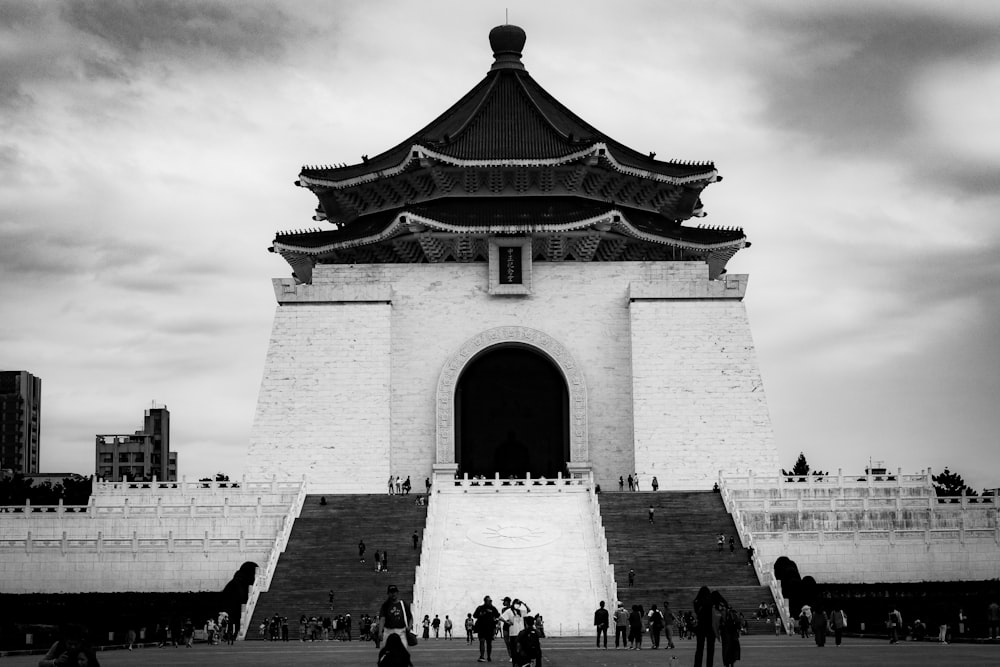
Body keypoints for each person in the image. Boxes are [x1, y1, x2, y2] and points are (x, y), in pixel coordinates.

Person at [714, 590, 741, 667]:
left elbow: (718, 622)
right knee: (732, 647)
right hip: (731, 632)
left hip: (726, 632)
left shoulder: (721, 610)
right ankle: (731, 662)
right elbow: (737, 621)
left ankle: (727, 663)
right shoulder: (731, 611)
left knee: (726, 648)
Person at [474, 594, 501, 662]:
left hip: (490, 628)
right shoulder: (480, 608)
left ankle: (489, 656)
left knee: (489, 643)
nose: (491, 602)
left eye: (491, 601)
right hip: (481, 627)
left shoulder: (493, 608)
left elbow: (497, 615)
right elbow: (475, 615)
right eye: (489, 601)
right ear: (485, 601)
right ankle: (482, 656)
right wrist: (480, 614)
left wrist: (495, 619)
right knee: (482, 641)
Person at [693, 586, 716, 667]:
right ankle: (709, 665)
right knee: (710, 649)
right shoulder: (711, 601)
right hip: (710, 627)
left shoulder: (696, 602)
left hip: (700, 626)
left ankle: (697, 665)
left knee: (699, 649)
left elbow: (697, 611)